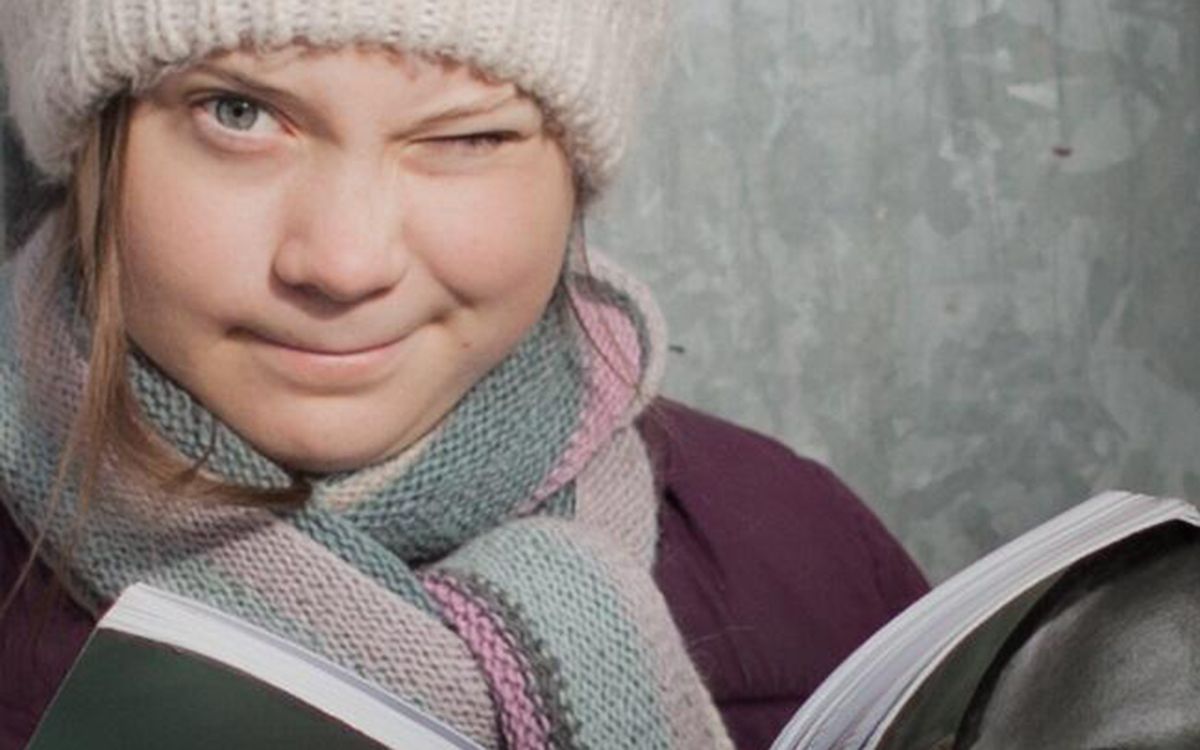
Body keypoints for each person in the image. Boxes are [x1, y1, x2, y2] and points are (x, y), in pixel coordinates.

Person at [0, 2, 928, 748]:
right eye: (237, 113)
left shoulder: (812, 559)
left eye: (468, 138)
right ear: (88, 147)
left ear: (572, 177)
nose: (344, 263)